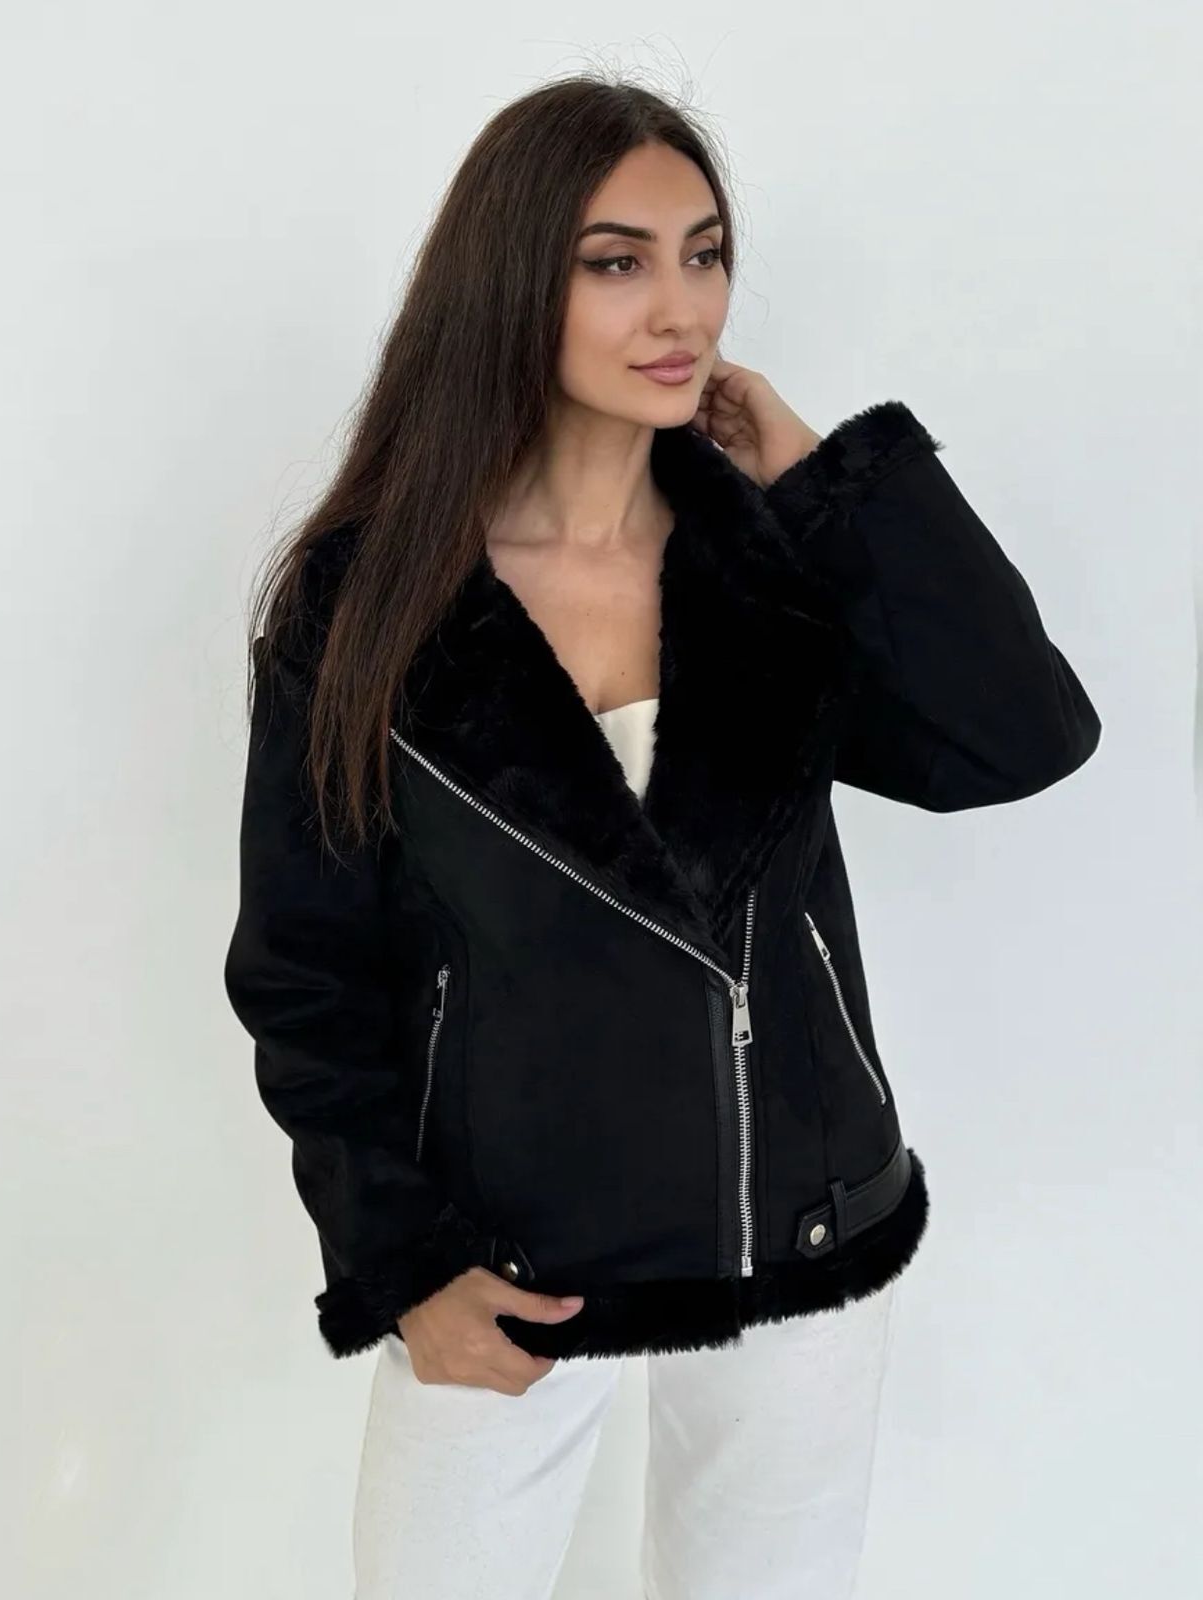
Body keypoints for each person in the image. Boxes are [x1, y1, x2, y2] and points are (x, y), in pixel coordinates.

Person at [223, 75, 1102, 1600]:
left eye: (704, 253)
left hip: (800, 1234)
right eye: (616, 261)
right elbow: (306, 971)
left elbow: (1020, 735)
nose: (679, 305)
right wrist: (404, 1261)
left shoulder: (770, 557)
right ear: (514, 279)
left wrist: (828, 481)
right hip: (508, 1259)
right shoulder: (368, 600)